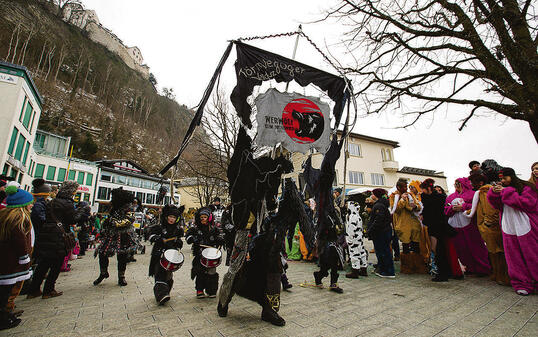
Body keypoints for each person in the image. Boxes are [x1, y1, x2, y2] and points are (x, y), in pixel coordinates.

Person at [27, 181, 83, 299]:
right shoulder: (67, 203)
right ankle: (49, 290)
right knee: (56, 263)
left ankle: (34, 289)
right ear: (72, 191)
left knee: (44, 263)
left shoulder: (52, 202)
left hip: (47, 233)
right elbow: (73, 219)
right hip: (59, 236)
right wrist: (81, 211)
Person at [487, 167, 538, 296]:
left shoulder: (526, 187)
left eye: (505, 178)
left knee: (533, 254)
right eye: (501, 179)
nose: (503, 181)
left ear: (512, 176)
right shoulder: (503, 189)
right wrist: (494, 193)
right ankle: (522, 283)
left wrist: (507, 192)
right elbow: (496, 205)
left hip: (526, 225)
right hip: (509, 226)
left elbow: (528, 203)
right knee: (513, 256)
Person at [0, 186, 34, 330]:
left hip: (7, 260)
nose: (32, 205)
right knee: (5, 291)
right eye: (30, 202)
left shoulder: (5, 216)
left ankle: (6, 313)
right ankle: (4, 316)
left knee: (4, 290)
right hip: (13, 261)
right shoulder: (19, 219)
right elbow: (19, 240)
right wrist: (24, 257)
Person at [467, 173, 510, 285]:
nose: (471, 184)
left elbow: (491, 209)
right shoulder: (482, 192)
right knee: (494, 251)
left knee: (497, 252)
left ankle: (502, 275)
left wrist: (488, 223)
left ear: (480, 183)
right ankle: (497, 274)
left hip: (491, 227)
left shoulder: (485, 191)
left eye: (473, 182)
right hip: (488, 226)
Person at [445, 178, 491, 275]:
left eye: (459, 183)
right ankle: (469, 267)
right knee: (462, 248)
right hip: (456, 226)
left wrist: (463, 207)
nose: (456, 185)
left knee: (476, 247)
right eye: (455, 183)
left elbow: (478, 207)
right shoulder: (450, 197)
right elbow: (446, 210)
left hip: (471, 225)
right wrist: (452, 208)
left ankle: (483, 268)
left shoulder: (473, 194)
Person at [93, 188, 137, 286]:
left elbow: (130, 219)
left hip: (124, 234)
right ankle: (103, 273)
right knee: (102, 252)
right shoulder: (113, 207)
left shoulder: (128, 207)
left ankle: (121, 277)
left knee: (122, 256)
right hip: (111, 234)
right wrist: (106, 224)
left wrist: (114, 223)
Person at [420, 179, 458, 282]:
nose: (421, 192)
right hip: (436, 226)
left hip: (437, 226)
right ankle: (445, 271)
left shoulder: (433, 199)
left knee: (438, 250)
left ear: (428, 188)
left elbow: (432, 213)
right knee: (439, 249)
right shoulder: (435, 198)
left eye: (423, 189)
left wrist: (425, 217)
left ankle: (443, 273)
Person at [185, 207, 225, 298]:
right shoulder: (195, 228)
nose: (203, 219)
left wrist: (220, 240)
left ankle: (211, 290)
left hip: (211, 254)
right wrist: (191, 238)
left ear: (209, 218)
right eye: (201, 217)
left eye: (205, 217)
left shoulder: (214, 229)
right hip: (200, 254)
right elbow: (188, 236)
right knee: (200, 272)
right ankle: (199, 290)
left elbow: (220, 237)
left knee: (212, 272)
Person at [148, 205, 184, 305]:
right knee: (159, 273)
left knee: (168, 275)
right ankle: (161, 294)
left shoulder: (177, 230)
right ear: (166, 216)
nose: (171, 219)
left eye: (174, 217)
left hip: (170, 256)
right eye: (170, 216)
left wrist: (179, 243)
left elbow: (179, 241)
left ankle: (165, 291)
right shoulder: (159, 227)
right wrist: (157, 238)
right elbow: (150, 236)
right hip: (159, 253)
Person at [390, 178, 425, 274]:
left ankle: (418, 266)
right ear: (398, 187)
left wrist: (415, 206)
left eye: (406, 186)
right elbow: (396, 210)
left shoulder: (410, 194)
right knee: (405, 246)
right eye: (404, 187)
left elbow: (418, 205)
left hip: (414, 223)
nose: (406, 189)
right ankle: (407, 267)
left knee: (416, 245)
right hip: (403, 224)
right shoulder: (393, 196)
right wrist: (402, 200)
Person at [367, 189, 395, 278]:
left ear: (376, 195)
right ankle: (383, 269)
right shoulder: (381, 204)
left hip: (381, 232)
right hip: (382, 231)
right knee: (383, 251)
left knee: (383, 251)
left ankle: (388, 271)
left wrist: (371, 229)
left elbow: (379, 220)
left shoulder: (379, 206)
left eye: (372, 194)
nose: (371, 195)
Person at [345, 200, 368, 278]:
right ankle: (363, 269)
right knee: (361, 252)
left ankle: (355, 271)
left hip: (354, 238)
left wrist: (349, 239)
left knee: (354, 253)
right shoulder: (358, 216)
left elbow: (351, 229)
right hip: (359, 237)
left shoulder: (352, 217)